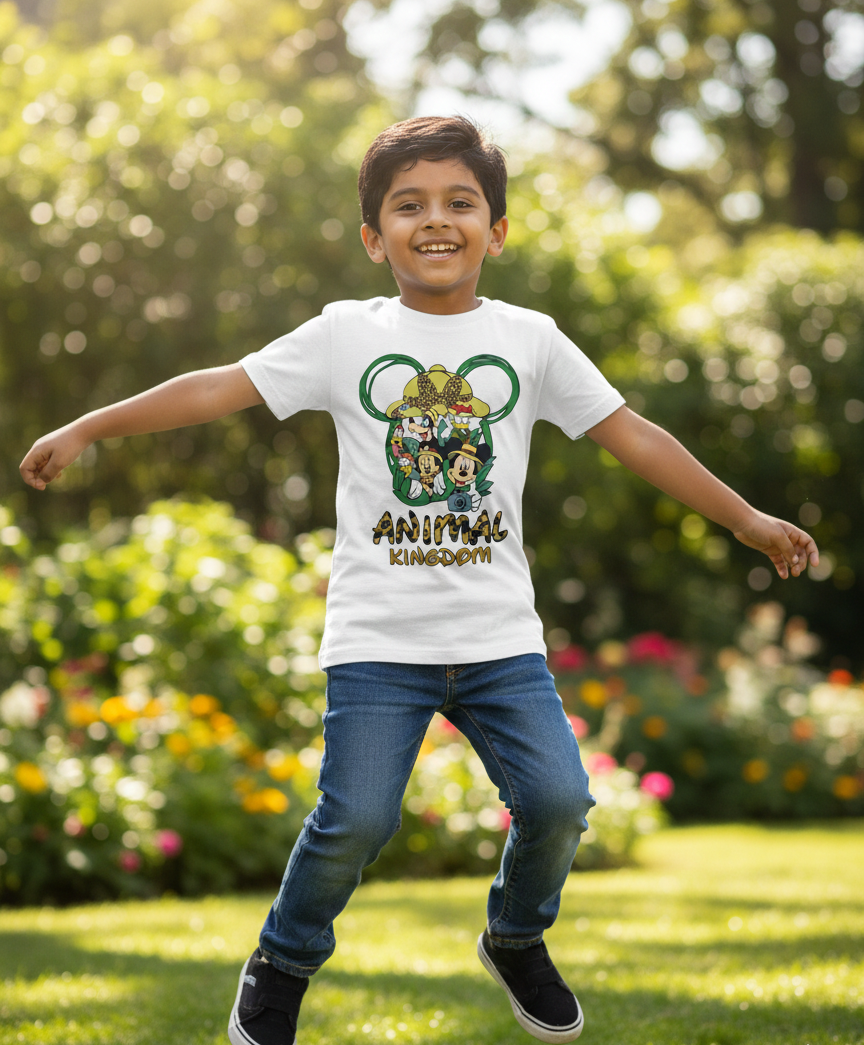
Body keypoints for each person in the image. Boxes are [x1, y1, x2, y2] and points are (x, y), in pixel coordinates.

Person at [19, 116, 819, 1045]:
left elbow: (629, 433)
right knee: (355, 820)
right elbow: (217, 386)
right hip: (378, 646)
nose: (435, 221)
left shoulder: (531, 340)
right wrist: (91, 427)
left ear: (497, 229)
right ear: (374, 237)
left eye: (459, 203)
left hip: (498, 645)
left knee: (560, 802)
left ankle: (516, 937)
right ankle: (281, 963)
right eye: (409, 206)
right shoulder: (345, 335)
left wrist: (745, 519)